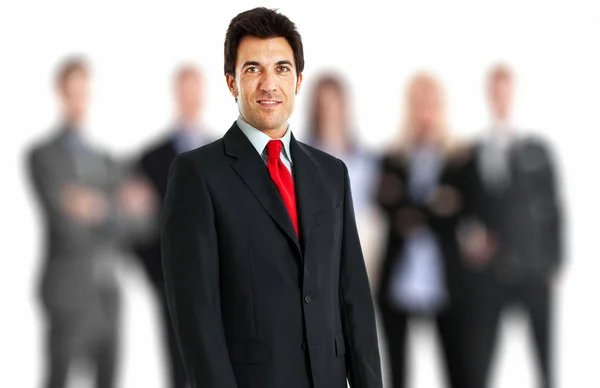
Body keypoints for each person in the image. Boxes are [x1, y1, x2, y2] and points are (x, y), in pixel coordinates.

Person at [160, 7, 383, 388]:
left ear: (298, 80)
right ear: (231, 82)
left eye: (281, 68)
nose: (268, 83)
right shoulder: (197, 175)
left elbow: (354, 299)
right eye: (252, 69)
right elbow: (197, 316)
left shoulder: (331, 174)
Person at [25, 56, 155, 388]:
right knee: (58, 379)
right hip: (68, 291)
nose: (79, 99)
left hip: (109, 294)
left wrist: (94, 205)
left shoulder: (107, 161)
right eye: (72, 91)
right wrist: (118, 208)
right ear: (60, 93)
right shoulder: (43, 156)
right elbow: (66, 225)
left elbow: (143, 222)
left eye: (84, 91)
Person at [457, 63, 564, 388]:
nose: (501, 100)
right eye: (496, 93)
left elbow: (553, 210)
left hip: (532, 269)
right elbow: (465, 210)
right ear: (489, 96)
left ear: (512, 95)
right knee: (481, 358)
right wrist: (470, 241)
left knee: (544, 359)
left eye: (506, 93)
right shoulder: (472, 153)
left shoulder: (536, 150)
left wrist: (554, 262)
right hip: (490, 272)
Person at [373, 72, 468, 388]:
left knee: (458, 368)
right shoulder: (392, 156)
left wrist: (411, 208)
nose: (425, 112)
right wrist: (435, 205)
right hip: (400, 276)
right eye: (419, 104)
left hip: (445, 278)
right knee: (398, 372)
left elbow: (458, 209)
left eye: (431, 104)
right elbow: (385, 202)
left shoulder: (458, 158)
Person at [131, 64, 211, 388]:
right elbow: (136, 226)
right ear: (176, 95)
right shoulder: (151, 159)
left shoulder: (228, 153)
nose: (190, 98)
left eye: (196, 91)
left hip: (217, 285)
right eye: (185, 91)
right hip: (173, 283)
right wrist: (158, 278)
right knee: (179, 370)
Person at [304, 72, 381, 285]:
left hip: (360, 234)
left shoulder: (365, 156)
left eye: (333, 103)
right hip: (319, 235)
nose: (329, 111)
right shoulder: (301, 154)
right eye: (323, 104)